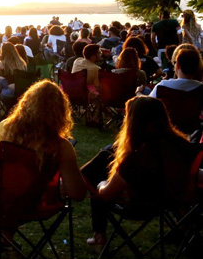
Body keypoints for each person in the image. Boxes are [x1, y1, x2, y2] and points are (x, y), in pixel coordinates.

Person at [0, 80, 86, 252]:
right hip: (22, 205)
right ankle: (3, 243)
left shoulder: (4, 127)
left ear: (26, 103)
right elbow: (77, 193)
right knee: (18, 192)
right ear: (61, 113)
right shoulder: (60, 147)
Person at [81, 96, 197, 247]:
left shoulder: (138, 158)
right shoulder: (183, 146)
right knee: (107, 154)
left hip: (138, 207)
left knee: (96, 172)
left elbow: (106, 193)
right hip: (170, 201)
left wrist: (102, 184)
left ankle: (99, 234)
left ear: (133, 123)